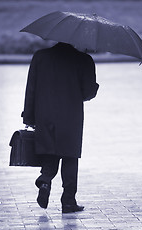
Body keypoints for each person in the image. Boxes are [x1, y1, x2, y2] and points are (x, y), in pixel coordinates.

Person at [22, 42, 99, 213]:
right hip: (71, 116)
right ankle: (68, 201)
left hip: (44, 114)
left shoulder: (40, 56)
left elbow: (31, 89)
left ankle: (45, 180)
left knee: (51, 150)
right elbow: (88, 92)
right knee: (70, 156)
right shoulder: (83, 60)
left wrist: (28, 116)